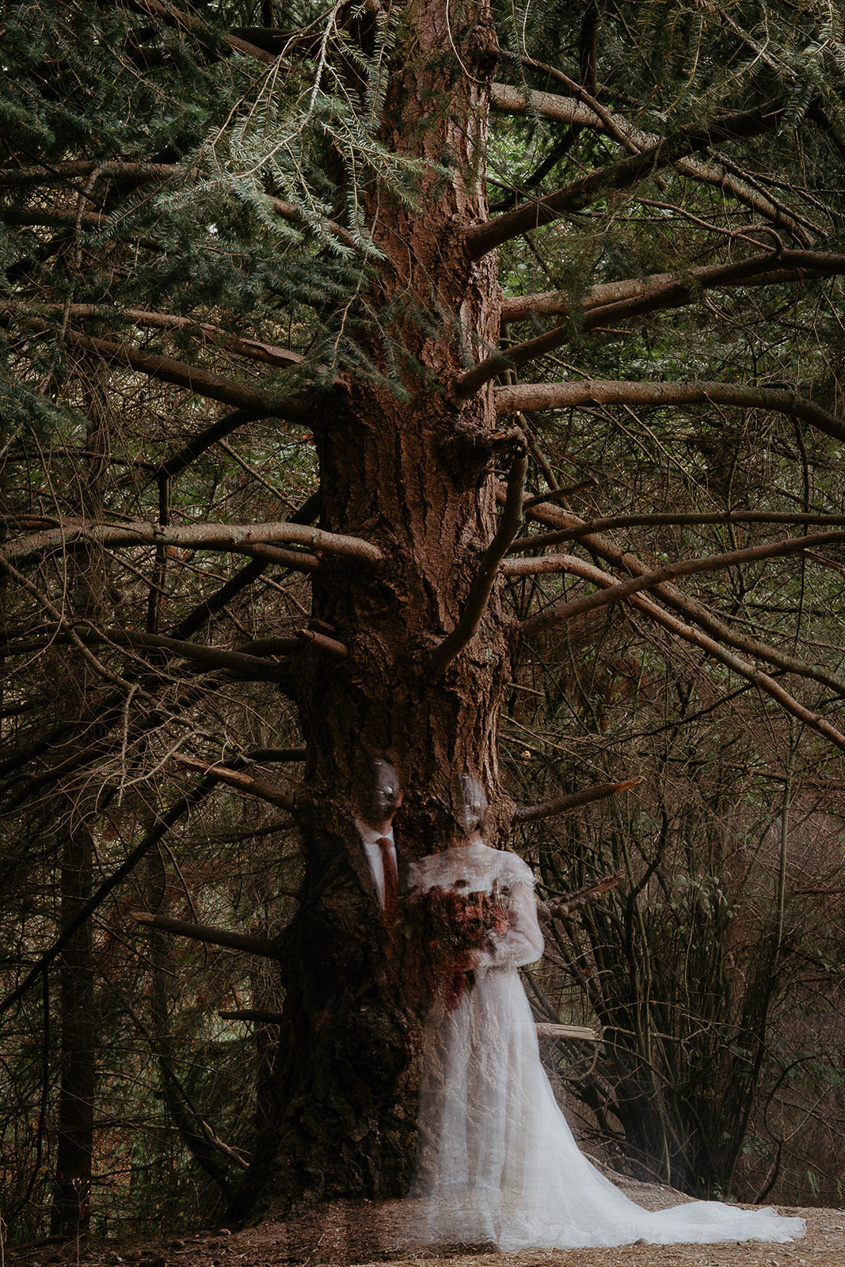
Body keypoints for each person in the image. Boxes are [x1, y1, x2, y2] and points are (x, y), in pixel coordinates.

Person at [400, 775, 806, 1251]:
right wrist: (439, 955)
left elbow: (530, 941)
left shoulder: (506, 865)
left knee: (506, 1091)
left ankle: (501, 1209)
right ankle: (458, 1210)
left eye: (473, 802)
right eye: (454, 801)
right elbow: (413, 938)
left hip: (494, 996)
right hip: (446, 998)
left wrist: (479, 954)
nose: (463, 811)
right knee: (449, 1092)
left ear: (487, 808)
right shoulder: (425, 871)